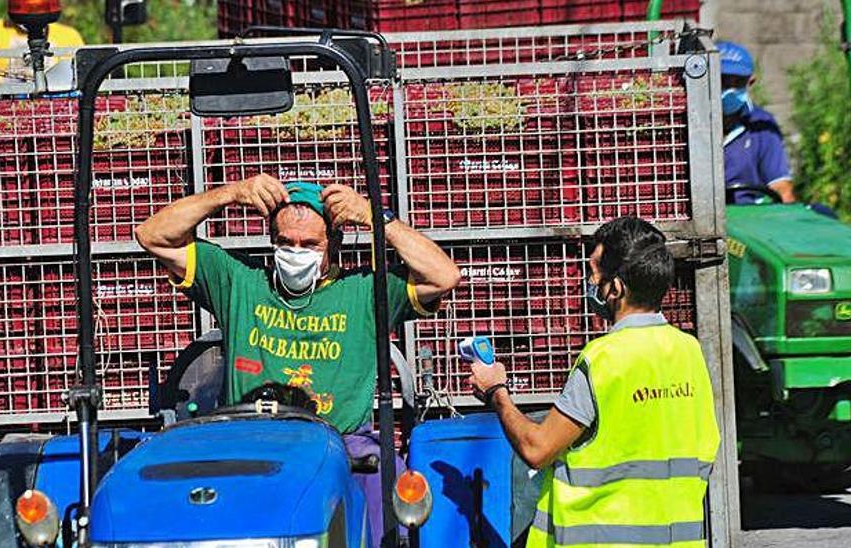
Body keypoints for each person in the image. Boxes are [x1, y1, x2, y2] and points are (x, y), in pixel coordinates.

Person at [136, 174, 460, 531]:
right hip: (254, 443)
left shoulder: (364, 291)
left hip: (344, 447)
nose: (296, 252)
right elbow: (152, 235)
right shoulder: (239, 281)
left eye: (310, 244)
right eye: (285, 242)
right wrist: (230, 193)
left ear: (333, 243)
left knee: (390, 499)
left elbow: (443, 275)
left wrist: (374, 216)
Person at [468, 216, 720, 548]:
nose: (589, 283)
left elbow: (536, 448)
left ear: (616, 289)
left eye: (594, 275)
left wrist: (496, 392)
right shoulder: (689, 351)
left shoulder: (604, 358)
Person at [718, 40, 797, 204]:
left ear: (749, 82)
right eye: (723, 81)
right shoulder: (690, 126)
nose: (729, 90)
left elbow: (781, 187)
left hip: (750, 214)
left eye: (737, 82)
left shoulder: (761, 126)